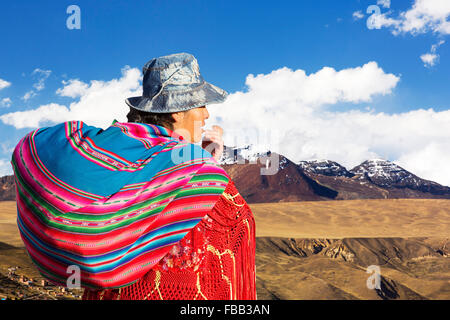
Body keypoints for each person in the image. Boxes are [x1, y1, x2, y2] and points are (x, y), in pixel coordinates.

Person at [11, 52, 256, 300]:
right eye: (201, 104)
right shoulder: (198, 170)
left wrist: (191, 158)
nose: (206, 115)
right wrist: (200, 163)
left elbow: (30, 149)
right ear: (177, 112)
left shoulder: (107, 151)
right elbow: (231, 228)